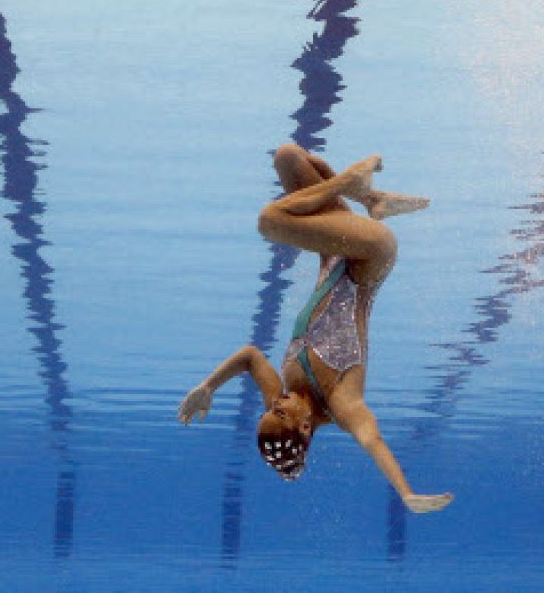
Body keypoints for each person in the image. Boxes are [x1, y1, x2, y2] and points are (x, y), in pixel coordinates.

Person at [178, 144, 452, 513]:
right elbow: (371, 438)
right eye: (277, 412)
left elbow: (249, 356)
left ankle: (373, 201)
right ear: (304, 428)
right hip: (370, 253)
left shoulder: (285, 399)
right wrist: (405, 492)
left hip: (336, 251)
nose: (273, 402)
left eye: (269, 408)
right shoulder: (342, 403)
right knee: (270, 221)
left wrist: (208, 386)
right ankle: (353, 183)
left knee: (288, 160)